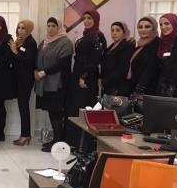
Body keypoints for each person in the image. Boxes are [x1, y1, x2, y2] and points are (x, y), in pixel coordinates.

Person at [64, 10, 107, 148]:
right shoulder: (86, 35)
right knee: (75, 107)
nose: (87, 21)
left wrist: (83, 76)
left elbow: (96, 59)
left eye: (90, 18)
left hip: (86, 77)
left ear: (96, 20)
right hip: (77, 74)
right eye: (85, 18)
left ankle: (83, 144)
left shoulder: (98, 36)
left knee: (83, 107)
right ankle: (73, 142)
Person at [34, 17, 73, 152]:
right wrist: (36, 70)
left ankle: (59, 142)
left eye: (53, 26)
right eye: (48, 26)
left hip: (58, 84)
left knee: (56, 112)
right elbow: (37, 58)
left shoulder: (65, 42)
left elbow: (63, 63)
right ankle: (56, 139)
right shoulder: (44, 41)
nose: (50, 29)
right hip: (46, 83)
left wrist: (44, 72)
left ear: (59, 27)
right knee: (51, 111)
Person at [10, 19, 37, 146]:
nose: (20, 30)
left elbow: (28, 61)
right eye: (19, 27)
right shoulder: (19, 41)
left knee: (23, 106)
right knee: (22, 106)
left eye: (23, 28)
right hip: (18, 78)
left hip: (25, 79)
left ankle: (25, 135)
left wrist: (15, 51)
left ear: (29, 30)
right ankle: (24, 134)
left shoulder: (31, 42)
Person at [121, 16, 160, 97]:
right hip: (135, 85)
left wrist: (139, 87)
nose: (143, 29)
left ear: (154, 28)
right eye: (140, 27)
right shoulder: (140, 44)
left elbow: (151, 67)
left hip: (146, 89)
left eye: (147, 27)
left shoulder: (156, 43)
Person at [156, 13, 177, 98]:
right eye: (161, 24)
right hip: (164, 88)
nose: (163, 27)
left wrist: (171, 89)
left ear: (175, 24)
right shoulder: (163, 42)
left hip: (176, 91)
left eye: (167, 23)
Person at [100, 22, 134, 96]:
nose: (114, 33)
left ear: (124, 32)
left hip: (117, 87)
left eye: (118, 30)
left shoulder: (127, 45)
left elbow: (122, 69)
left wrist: (105, 81)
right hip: (108, 85)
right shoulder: (112, 46)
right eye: (112, 30)